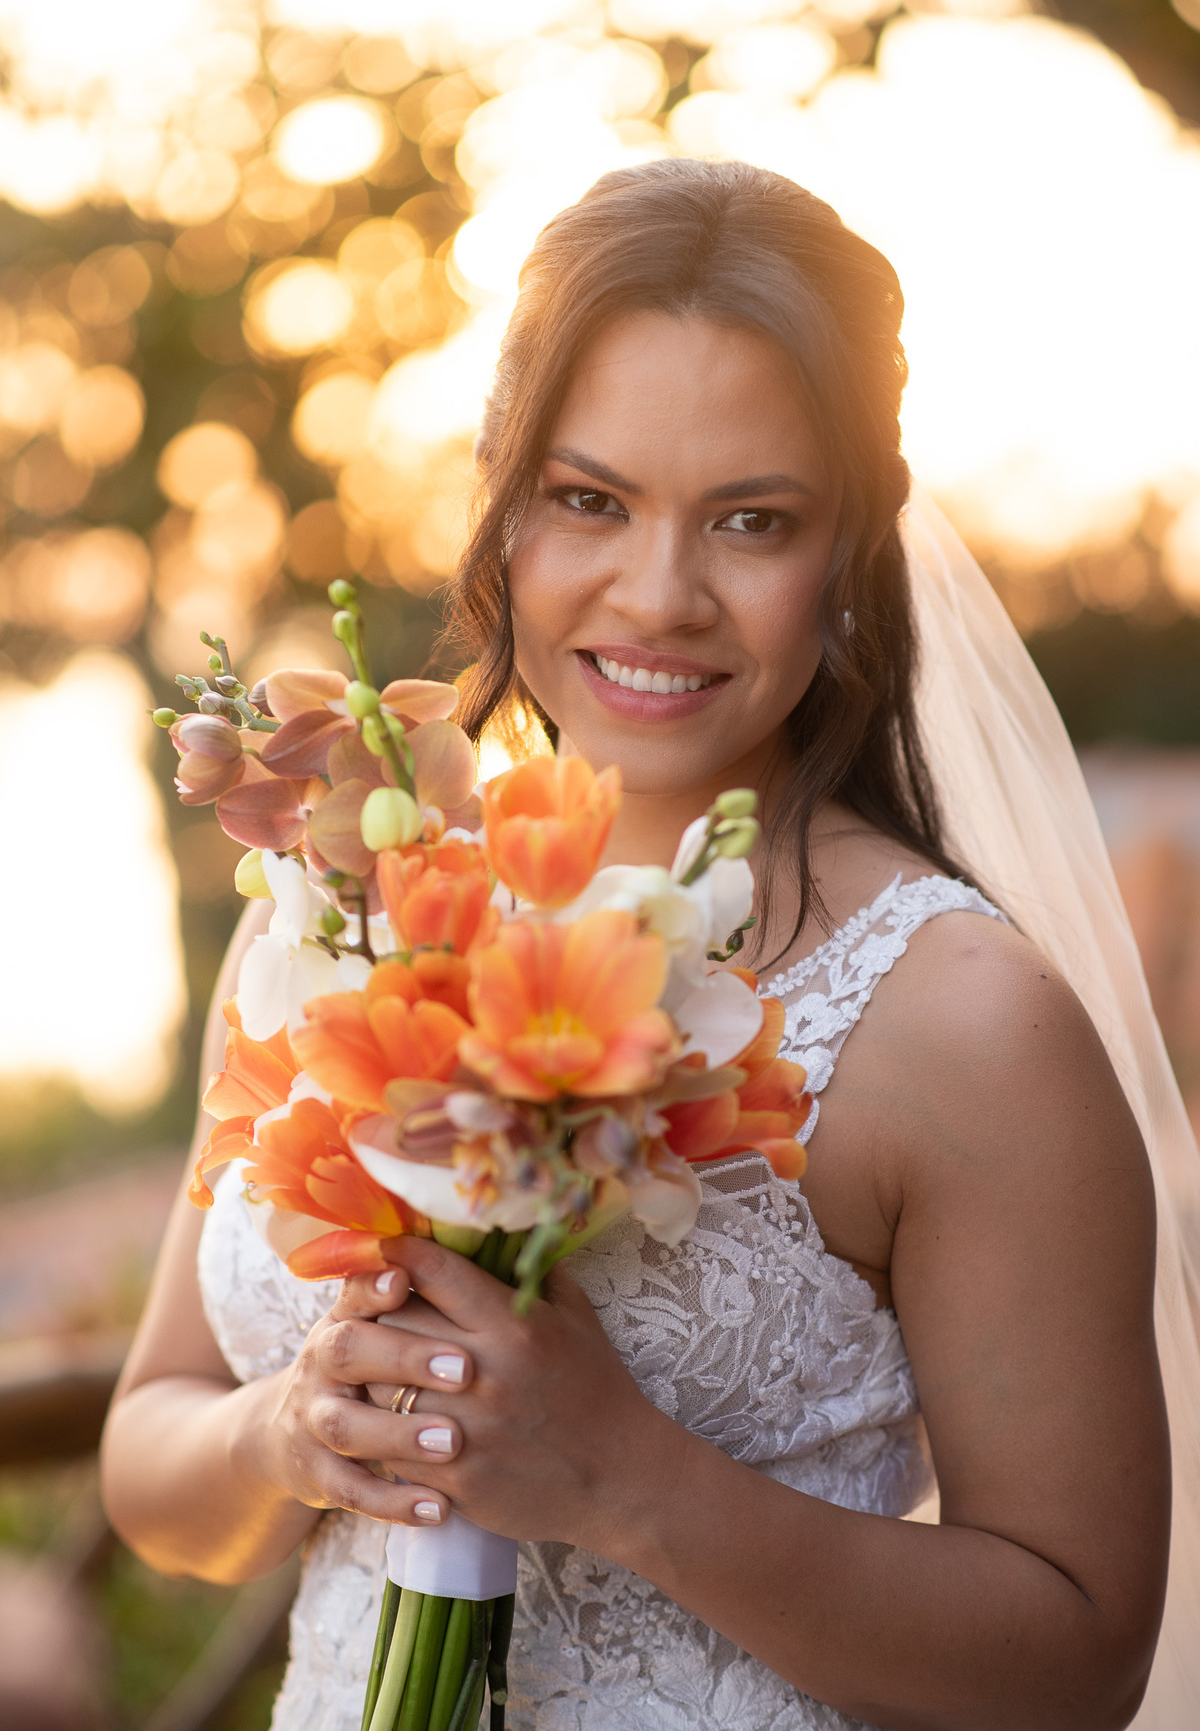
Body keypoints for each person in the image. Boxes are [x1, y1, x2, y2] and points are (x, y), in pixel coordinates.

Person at [100, 159, 1199, 1730]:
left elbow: (1082, 1653)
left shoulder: (962, 1018)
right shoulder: (344, 905)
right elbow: (155, 1452)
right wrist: (291, 1434)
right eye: (588, 498)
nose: (660, 593)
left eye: (752, 519)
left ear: (853, 545)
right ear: (497, 491)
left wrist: (628, 1480)